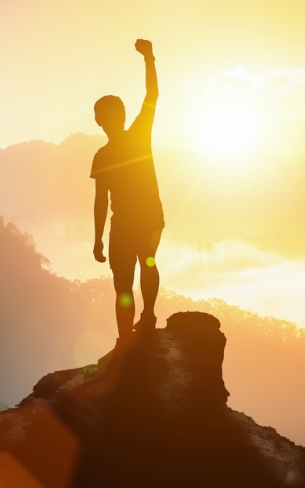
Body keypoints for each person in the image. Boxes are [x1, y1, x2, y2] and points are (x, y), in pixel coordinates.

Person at [91, 39, 165, 344]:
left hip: (127, 223)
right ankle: (146, 319)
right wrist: (148, 59)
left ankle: (126, 338)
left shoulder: (103, 155)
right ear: (121, 116)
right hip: (147, 218)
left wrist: (97, 239)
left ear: (98, 121)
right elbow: (152, 95)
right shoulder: (137, 136)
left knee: (124, 283)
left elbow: (100, 202)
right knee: (147, 263)